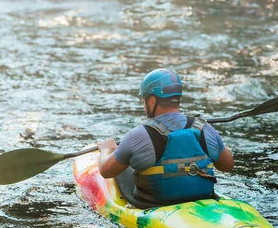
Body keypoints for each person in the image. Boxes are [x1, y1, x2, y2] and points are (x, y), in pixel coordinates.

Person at [97, 68, 234, 205]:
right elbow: (228, 166)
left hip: (156, 206)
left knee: (125, 165)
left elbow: (106, 171)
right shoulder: (205, 129)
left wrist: (106, 149)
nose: (144, 106)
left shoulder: (137, 136)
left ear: (151, 100)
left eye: (143, 100)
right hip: (203, 200)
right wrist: (216, 142)